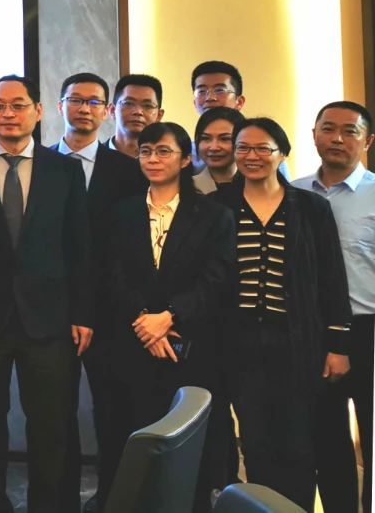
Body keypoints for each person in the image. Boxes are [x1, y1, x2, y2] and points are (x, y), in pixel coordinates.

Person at [0, 75, 93, 513]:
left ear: (38, 111)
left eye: (18, 105)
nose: (8, 114)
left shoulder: (64, 169)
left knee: (50, 426)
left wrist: (83, 312)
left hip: (49, 321)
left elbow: (79, 246)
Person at [209, 117, 351, 509]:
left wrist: (338, 344)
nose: (251, 156)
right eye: (243, 148)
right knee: (255, 439)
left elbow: (331, 278)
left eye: (262, 148)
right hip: (237, 343)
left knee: (298, 441)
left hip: (297, 341)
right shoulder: (218, 206)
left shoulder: (311, 208)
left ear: (282, 154)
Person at [103, 122, 234, 511]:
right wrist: (146, 321)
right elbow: (112, 274)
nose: (153, 159)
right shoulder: (121, 212)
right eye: (146, 151)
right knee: (132, 439)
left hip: (192, 347)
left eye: (164, 151)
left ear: (186, 159)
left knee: (189, 447)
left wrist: (170, 317)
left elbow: (217, 278)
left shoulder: (214, 215)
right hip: (134, 343)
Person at [51, 72, 147, 512]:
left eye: (94, 101)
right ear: (60, 106)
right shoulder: (39, 163)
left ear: (107, 111)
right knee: (55, 415)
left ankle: (111, 499)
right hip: (51, 311)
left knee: (112, 413)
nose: (84, 108)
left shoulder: (129, 171)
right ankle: (62, 501)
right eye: (76, 99)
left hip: (111, 314)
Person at [294, 101, 374, 513]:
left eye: (350, 131)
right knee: (326, 437)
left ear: (367, 141)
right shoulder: (292, 192)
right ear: (314, 135)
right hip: (315, 331)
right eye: (328, 129)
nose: (337, 138)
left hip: (369, 328)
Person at [107, 73, 164, 158]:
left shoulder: (168, 162)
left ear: (159, 116)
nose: (138, 112)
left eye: (148, 106)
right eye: (128, 103)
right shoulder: (94, 158)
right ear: (112, 110)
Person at [192, 107, 244, 194]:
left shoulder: (258, 186)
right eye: (206, 138)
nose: (214, 147)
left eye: (224, 139)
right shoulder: (186, 189)